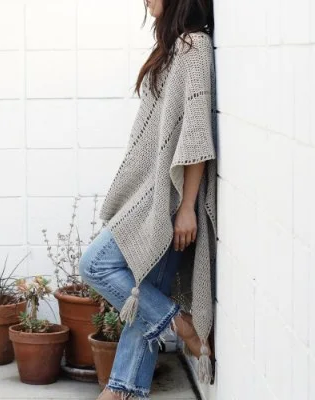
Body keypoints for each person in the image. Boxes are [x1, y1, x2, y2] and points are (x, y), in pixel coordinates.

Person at [78, 0, 217, 398]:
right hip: (153, 194)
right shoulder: (173, 46)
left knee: (96, 265)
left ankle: (182, 327)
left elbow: (195, 135)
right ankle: (121, 391)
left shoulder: (194, 47)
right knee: (144, 288)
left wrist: (187, 206)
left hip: (170, 200)